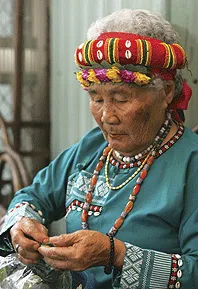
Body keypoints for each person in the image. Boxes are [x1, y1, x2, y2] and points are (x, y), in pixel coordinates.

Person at [0, 8, 197, 289]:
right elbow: (33, 196)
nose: (106, 116)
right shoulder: (93, 146)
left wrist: (114, 254)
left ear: (165, 92)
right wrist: (23, 225)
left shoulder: (192, 164)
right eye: (96, 98)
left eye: (120, 98)